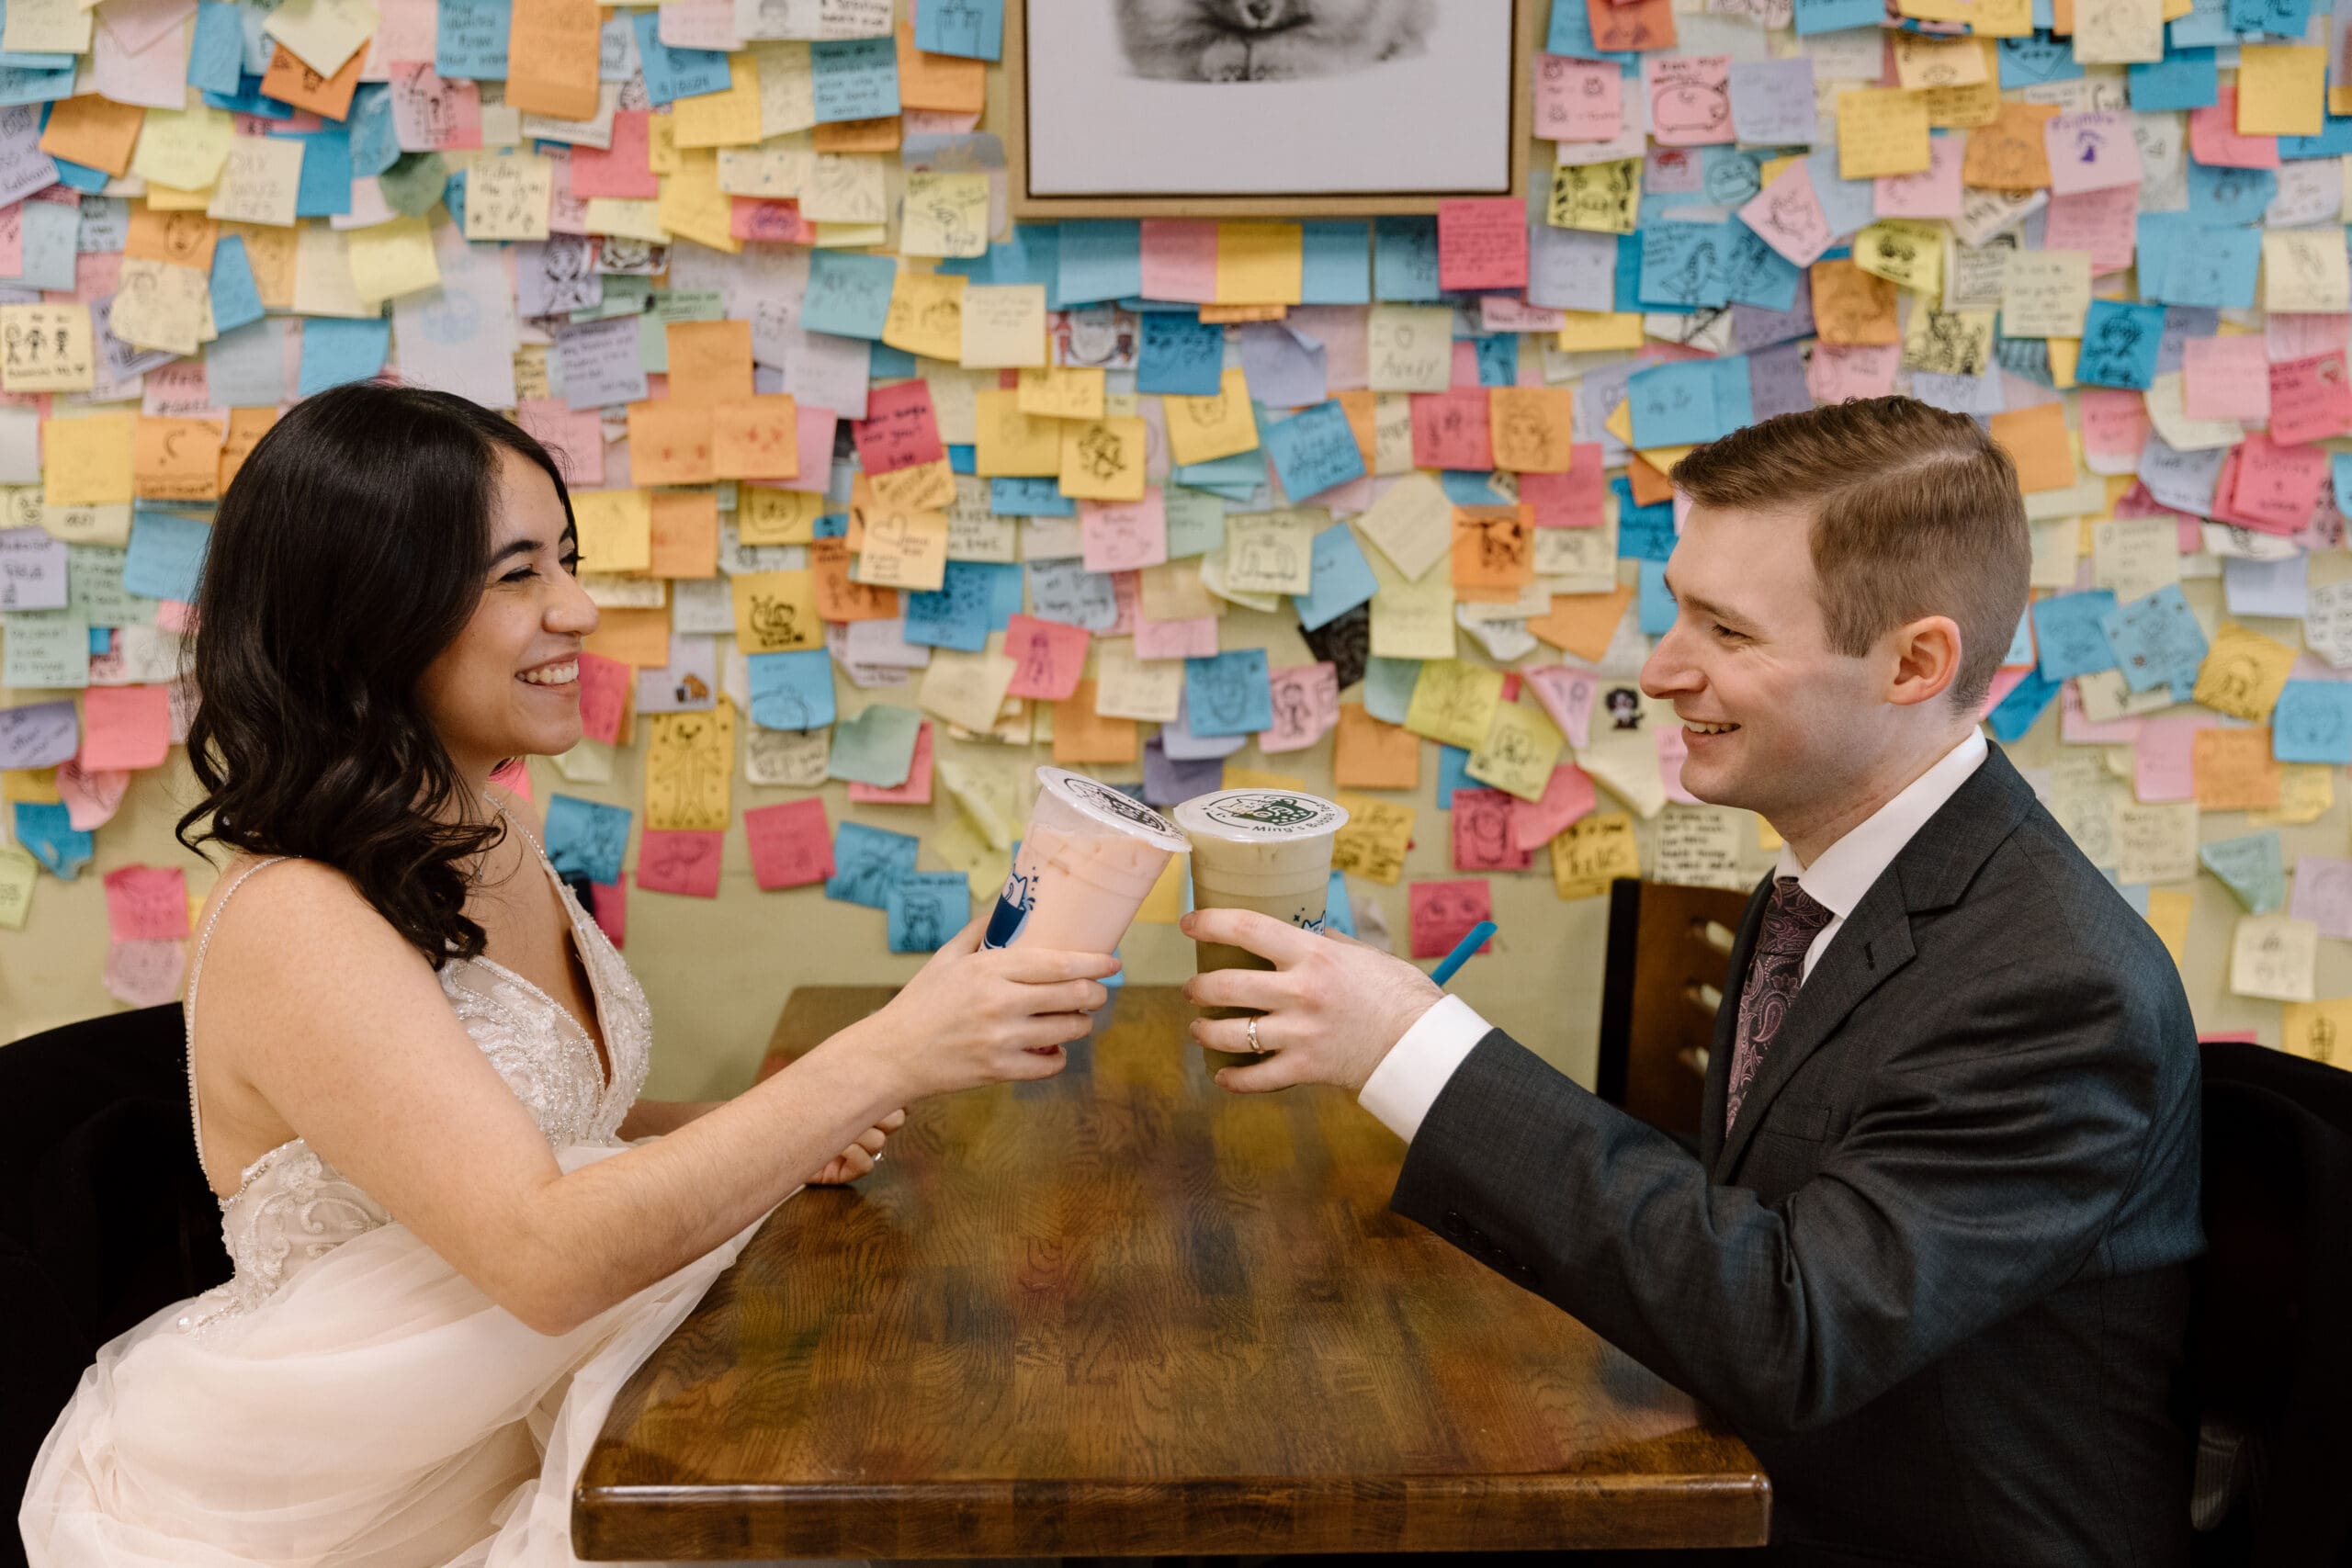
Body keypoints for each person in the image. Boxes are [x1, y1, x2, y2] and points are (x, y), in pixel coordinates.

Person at [19, 384, 1117, 1566]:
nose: (580, 610)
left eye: (569, 561)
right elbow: (543, 1258)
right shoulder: (296, 918)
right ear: (371, 608)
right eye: (519, 574)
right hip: (341, 1495)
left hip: (514, 1408)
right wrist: (883, 1055)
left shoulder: (494, 827)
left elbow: (534, 1121)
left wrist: (772, 1129)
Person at [1181, 397, 2203, 1566]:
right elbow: (1750, 1221)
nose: (1663, 669)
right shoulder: (1827, 881)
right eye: (1679, 610)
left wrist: (1412, 1041)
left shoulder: (2059, 989)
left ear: (1915, 663)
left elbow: (1790, 1324)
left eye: (1726, 630)